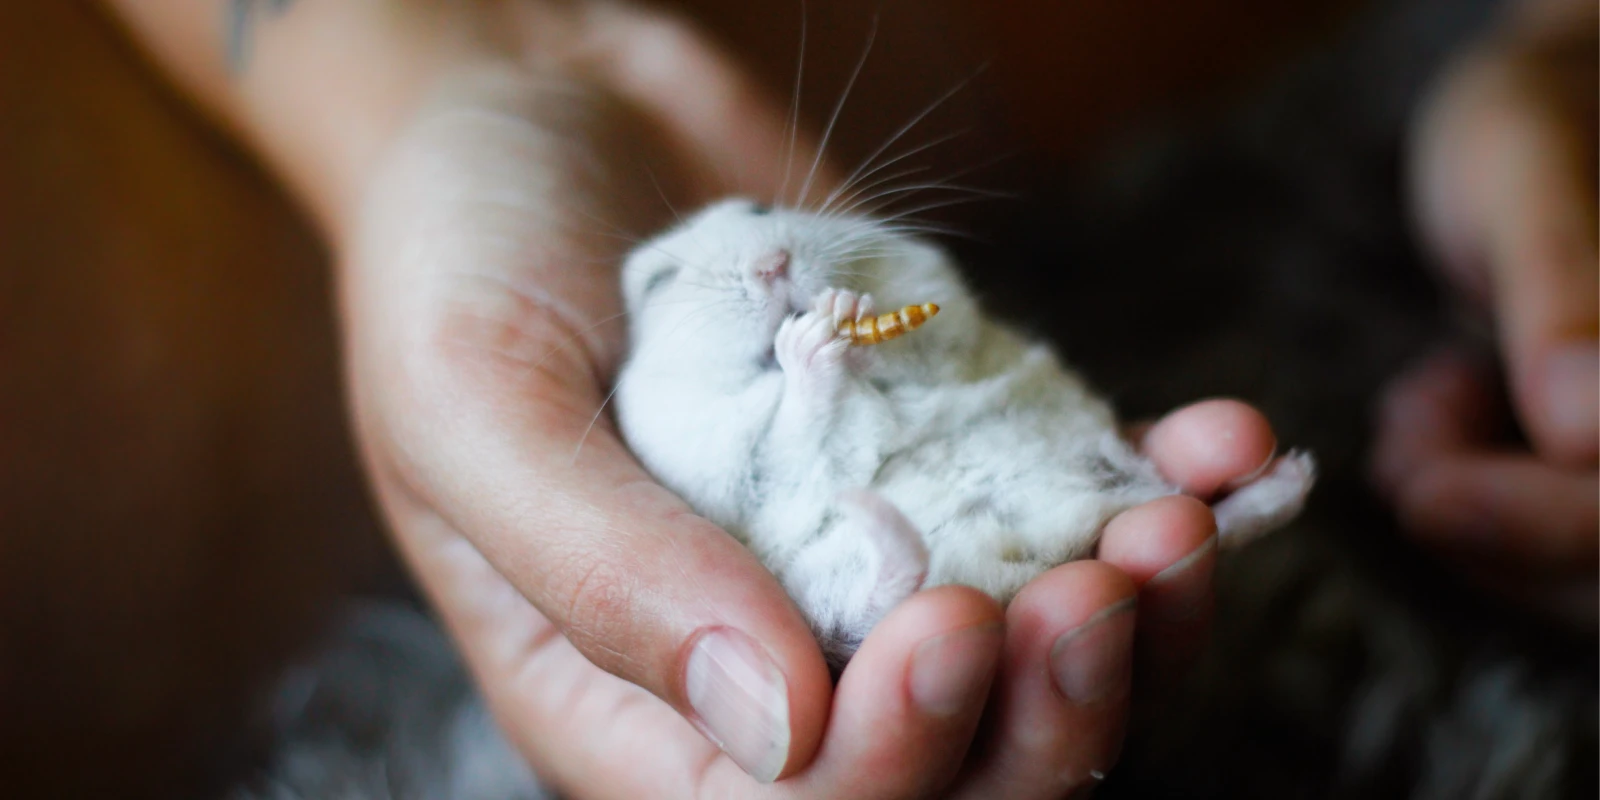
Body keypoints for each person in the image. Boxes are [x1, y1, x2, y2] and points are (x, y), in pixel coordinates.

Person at [97, 0, 1594, 797]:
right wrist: (481, 67)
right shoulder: (669, 394)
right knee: (920, 595)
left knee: (1090, 479)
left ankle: (1181, 494)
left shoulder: (862, 275)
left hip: (1281, 203)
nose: (753, 260)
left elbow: (979, 362)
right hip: (903, 498)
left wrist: (1558, 45)